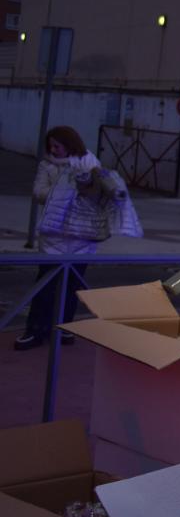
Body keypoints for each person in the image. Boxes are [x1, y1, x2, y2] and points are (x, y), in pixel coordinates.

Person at [16, 126, 142, 350]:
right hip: (55, 235)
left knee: (72, 286)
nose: (53, 150)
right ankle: (35, 330)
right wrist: (63, 192)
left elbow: (104, 194)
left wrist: (105, 190)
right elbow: (38, 191)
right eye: (50, 146)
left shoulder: (90, 163)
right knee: (45, 286)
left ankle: (65, 328)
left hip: (82, 235)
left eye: (57, 146)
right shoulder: (47, 165)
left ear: (70, 145)